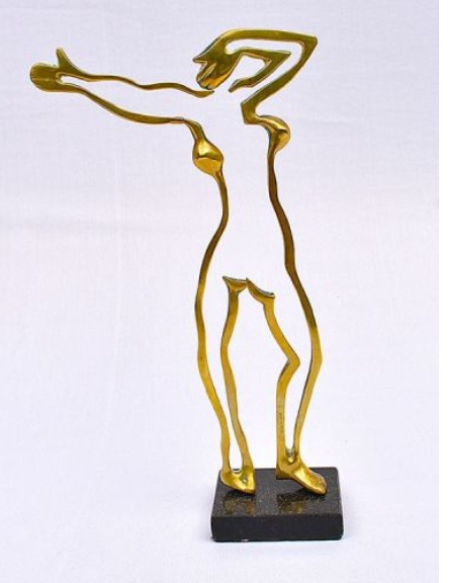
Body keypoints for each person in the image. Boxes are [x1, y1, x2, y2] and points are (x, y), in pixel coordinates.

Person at [30, 29, 325, 495]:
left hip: (268, 248)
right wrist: (77, 80)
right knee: (215, 354)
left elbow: (299, 47)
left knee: (305, 354)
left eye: (210, 66)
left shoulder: (248, 99)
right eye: (205, 67)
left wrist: (235, 44)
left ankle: (288, 457)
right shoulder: (198, 107)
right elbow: (136, 96)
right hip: (231, 246)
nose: (204, 74)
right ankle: (237, 462)